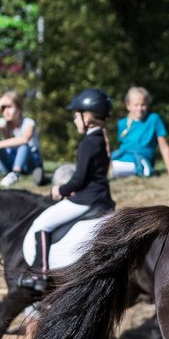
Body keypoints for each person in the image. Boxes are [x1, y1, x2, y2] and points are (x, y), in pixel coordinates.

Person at [19, 89, 116, 291]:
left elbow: (79, 178)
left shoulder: (88, 143)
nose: (74, 120)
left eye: (76, 115)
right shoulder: (98, 140)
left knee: (42, 224)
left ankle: (41, 274)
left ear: (87, 116)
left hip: (88, 198)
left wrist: (61, 190)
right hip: (100, 196)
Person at [0, 91, 42, 187]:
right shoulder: (3, 123)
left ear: (19, 109)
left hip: (30, 163)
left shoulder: (28, 123)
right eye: (3, 108)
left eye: (9, 107)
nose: (5, 111)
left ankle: (15, 174)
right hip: (11, 161)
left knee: (23, 146)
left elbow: (24, 140)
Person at [110, 86, 169, 178]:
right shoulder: (122, 123)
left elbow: (164, 147)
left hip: (141, 161)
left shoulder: (154, 119)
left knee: (110, 168)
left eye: (143, 104)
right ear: (128, 105)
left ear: (147, 105)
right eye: (136, 105)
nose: (140, 108)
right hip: (122, 157)